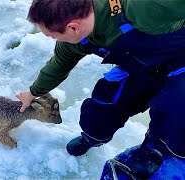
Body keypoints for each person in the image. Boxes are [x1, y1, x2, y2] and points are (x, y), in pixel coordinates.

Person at [16, 0, 185, 178]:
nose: (55, 40)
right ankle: (93, 137)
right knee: (102, 105)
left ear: (74, 28)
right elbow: (58, 65)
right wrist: (33, 93)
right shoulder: (75, 40)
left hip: (181, 63)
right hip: (141, 66)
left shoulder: (144, 7)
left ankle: (157, 151)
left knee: (175, 112)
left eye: (53, 36)